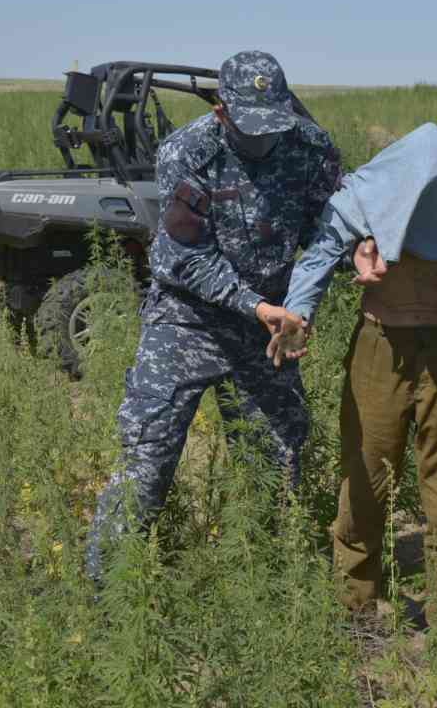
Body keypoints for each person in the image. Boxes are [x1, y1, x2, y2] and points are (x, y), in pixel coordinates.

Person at [268, 123, 437, 622]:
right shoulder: (365, 197)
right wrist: (297, 315)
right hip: (380, 346)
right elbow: (318, 258)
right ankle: (357, 605)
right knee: (365, 473)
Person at [85, 50, 342, 581]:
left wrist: (299, 304)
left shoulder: (311, 148)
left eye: (275, 123)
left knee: (277, 457)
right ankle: (106, 593)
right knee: (147, 457)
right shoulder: (189, 151)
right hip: (187, 321)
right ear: (222, 111)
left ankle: (268, 587)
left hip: (267, 327)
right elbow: (184, 256)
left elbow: (328, 231)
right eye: (252, 127)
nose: (265, 138)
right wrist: (257, 305)